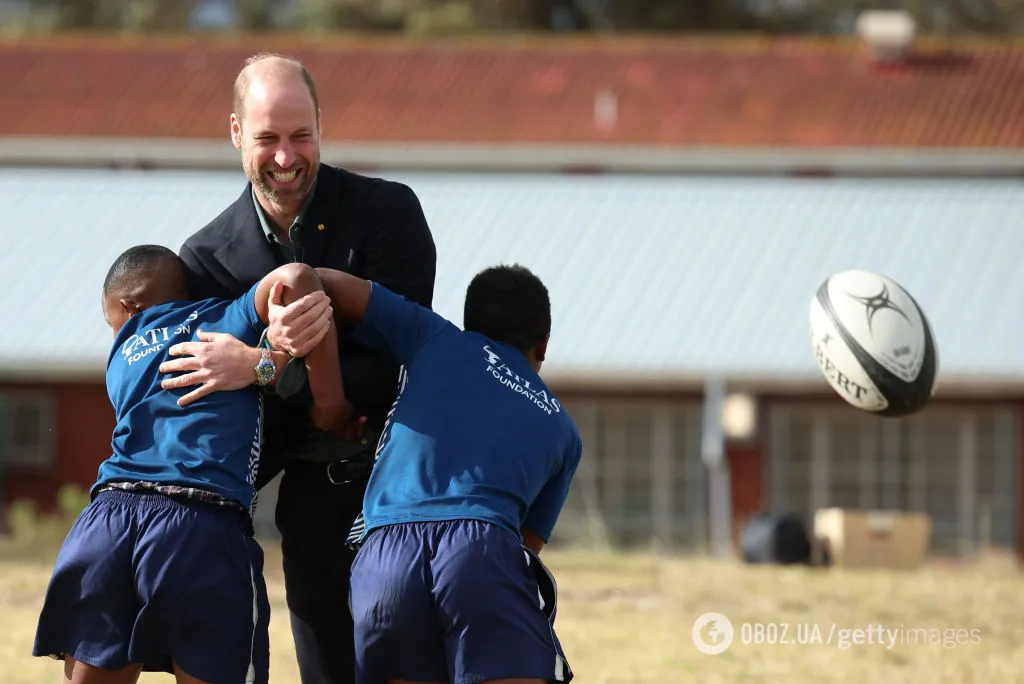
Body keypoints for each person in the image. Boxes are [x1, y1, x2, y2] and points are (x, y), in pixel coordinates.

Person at [161, 52, 436, 684]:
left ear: (321, 123)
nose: (287, 158)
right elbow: (212, 404)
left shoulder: (390, 212)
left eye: (300, 135)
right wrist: (273, 367)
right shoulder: (202, 259)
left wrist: (267, 362)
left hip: (404, 489)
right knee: (328, 669)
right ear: (236, 133)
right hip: (307, 500)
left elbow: (397, 359)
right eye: (267, 139)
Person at [32, 245, 349, 684]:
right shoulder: (225, 321)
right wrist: (293, 376)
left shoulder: (123, 352)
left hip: (107, 521)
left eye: (111, 321)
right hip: (200, 520)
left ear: (129, 306)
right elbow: (296, 274)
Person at [314, 263, 580, 684]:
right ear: (544, 344)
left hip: (385, 557)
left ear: (468, 321)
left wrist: (327, 396)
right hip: (483, 549)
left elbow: (319, 280)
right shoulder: (564, 429)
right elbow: (526, 546)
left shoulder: (434, 336)